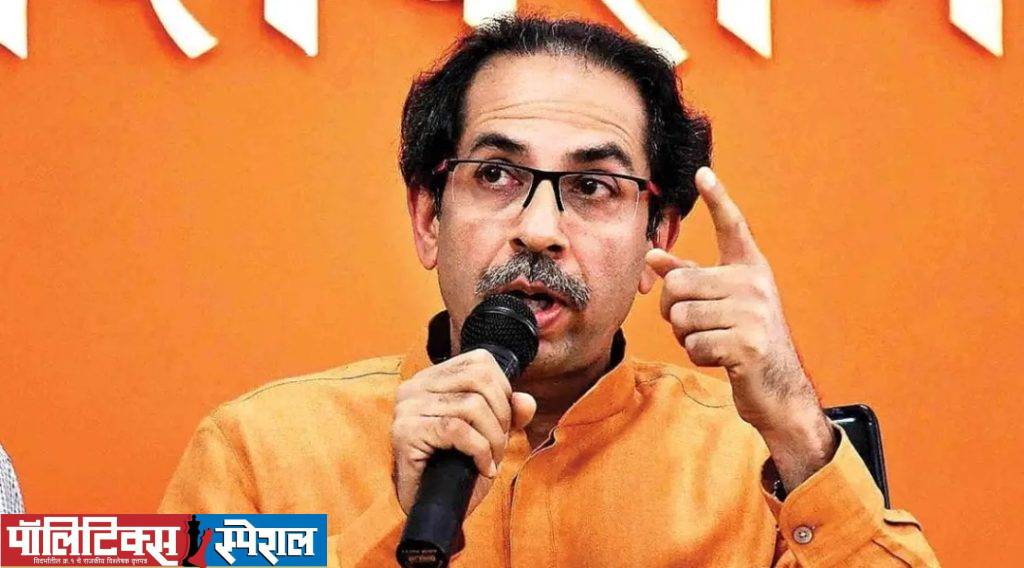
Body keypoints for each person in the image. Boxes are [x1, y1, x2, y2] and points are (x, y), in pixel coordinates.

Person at [159, 15, 940, 567]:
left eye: (592, 186)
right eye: (497, 175)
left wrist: (796, 423)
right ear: (428, 218)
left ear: (658, 240)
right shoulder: (259, 452)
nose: (539, 229)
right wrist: (395, 525)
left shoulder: (751, 461)